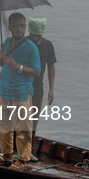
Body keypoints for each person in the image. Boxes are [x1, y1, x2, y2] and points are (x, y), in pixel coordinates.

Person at [0, 12, 40, 171]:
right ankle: (6, 156)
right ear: (10, 27)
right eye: (16, 25)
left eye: (22, 25)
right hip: (4, 90)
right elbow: (4, 65)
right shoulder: (6, 42)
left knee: (23, 128)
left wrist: (17, 66)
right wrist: (0, 58)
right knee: (4, 127)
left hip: (21, 93)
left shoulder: (31, 47)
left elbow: (36, 71)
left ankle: (22, 161)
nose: (19, 29)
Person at [28, 17, 57, 149]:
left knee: (34, 121)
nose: (35, 38)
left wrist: (51, 89)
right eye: (33, 34)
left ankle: (29, 148)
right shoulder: (23, 43)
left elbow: (51, 67)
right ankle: (17, 148)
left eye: (38, 35)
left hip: (38, 89)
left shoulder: (48, 45)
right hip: (22, 89)